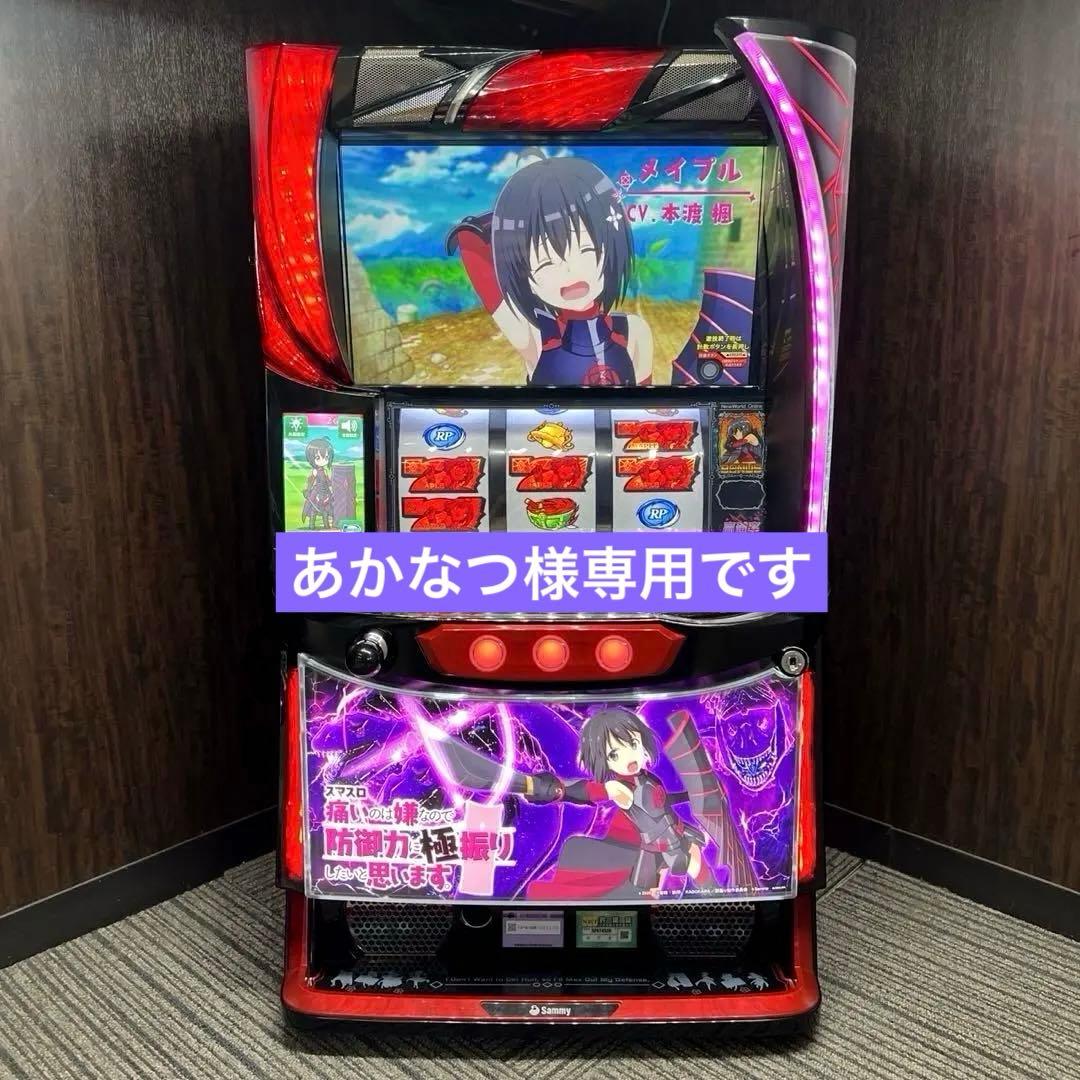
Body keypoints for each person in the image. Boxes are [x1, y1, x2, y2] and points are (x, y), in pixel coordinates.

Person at [448, 155, 653, 386]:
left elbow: (646, 401)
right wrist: (518, 215)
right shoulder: (534, 337)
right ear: (526, 279)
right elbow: (471, 243)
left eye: (587, 249)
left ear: (611, 248)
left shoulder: (634, 331)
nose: (569, 270)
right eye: (545, 263)